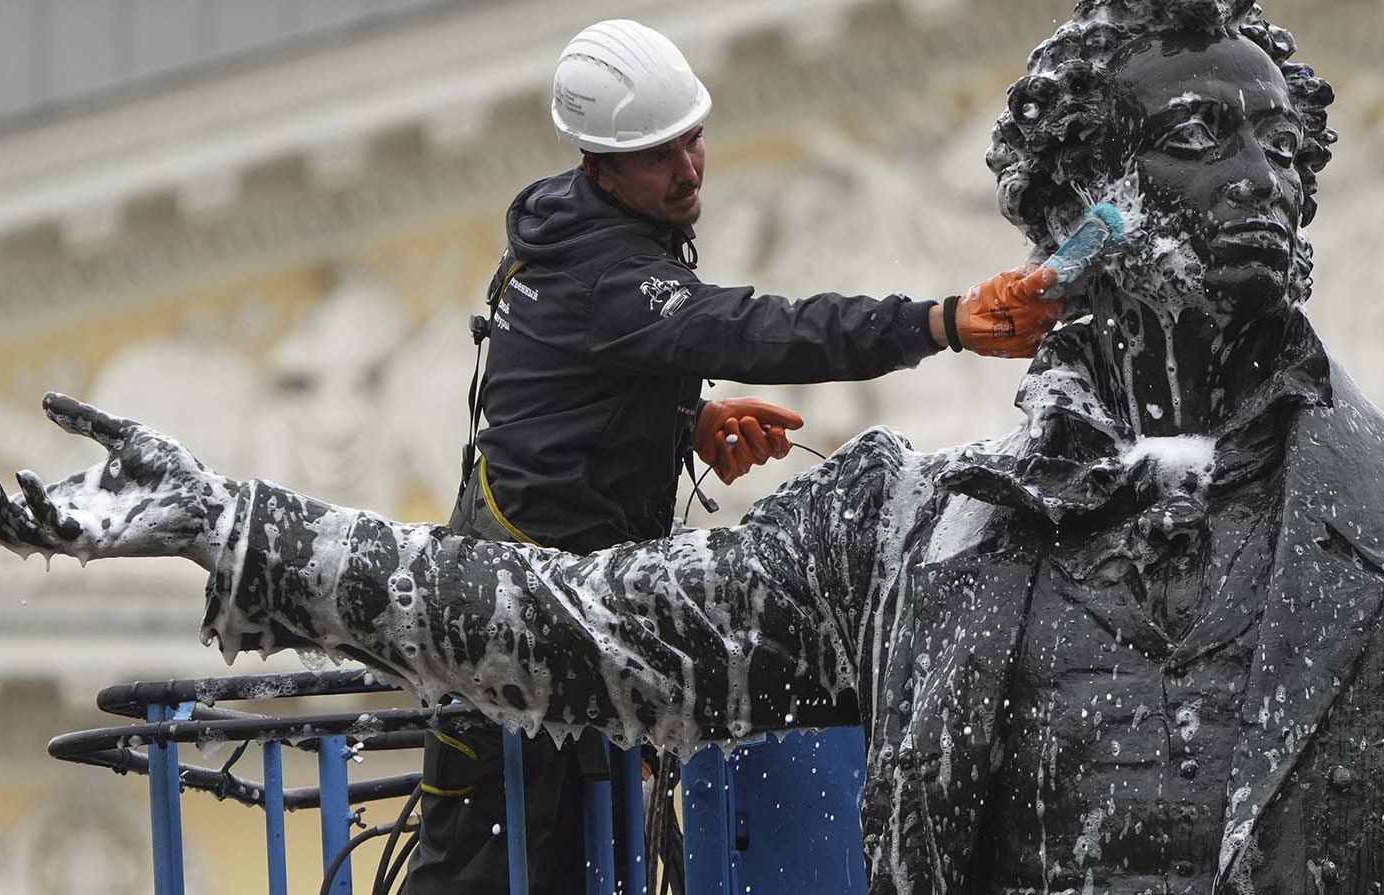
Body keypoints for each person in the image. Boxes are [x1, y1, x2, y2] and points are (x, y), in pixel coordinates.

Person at [0, 2, 1384, 892]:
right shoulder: (900, 543)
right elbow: (571, 633)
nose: (1259, 179)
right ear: (1080, 207)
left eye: (1280, 145)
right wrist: (230, 522)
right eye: (1198, 140)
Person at [423, 18, 1062, 894]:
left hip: (548, 610)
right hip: (521, 631)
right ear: (601, 165)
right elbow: (759, 330)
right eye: (659, 156)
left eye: (693, 139)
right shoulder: (607, 271)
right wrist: (943, 322)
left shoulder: (573, 230)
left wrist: (682, 421)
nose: (688, 169)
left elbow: (554, 395)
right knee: (496, 876)